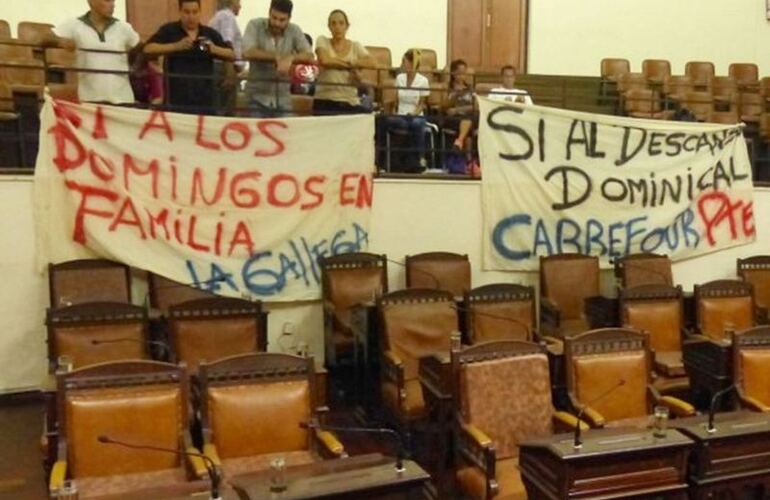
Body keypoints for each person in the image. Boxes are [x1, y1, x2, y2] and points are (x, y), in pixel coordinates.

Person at [144, 0, 234, 114]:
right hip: (176, 100)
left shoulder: (209, 33)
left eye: (194, 12)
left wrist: (213, 49)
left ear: (200, 12)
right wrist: (175, 46)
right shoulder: (169, 30)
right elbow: (148, 49)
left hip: (205, 100)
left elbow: (231, 54)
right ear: (180, 12)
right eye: (186, 12)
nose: (191, 17)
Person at [46, 0, 140, 104]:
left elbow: (141, 47)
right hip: (90, 99)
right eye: (107, 1)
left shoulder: (124, 28)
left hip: (123, 99)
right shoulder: (74, 25)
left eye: (113, 1)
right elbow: (43, 37)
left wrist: (136, 66)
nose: (113, 5)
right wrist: (60, 41)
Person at [242, 0, 314, 116]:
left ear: (289, 19)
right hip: (255, 98)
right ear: (269, 13)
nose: (277, 23)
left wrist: (290, 58)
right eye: (274, 18)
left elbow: (309, 55)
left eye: (282, 20)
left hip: (283, 100)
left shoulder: (294, 30)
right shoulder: (254, 25)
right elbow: (247, 52)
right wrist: (277, 57)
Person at [312, 9, 373, 115]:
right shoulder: (322, 40)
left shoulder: (355, 46)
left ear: (347, 26)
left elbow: (372, 62)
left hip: (350, 102)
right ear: (329, 27)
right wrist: (350, 66)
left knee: (372, 118)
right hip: (325, 100)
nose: (337, 27)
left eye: (341, 23)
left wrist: (353, 63)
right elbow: (325, 60)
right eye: (333, 23)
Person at [381, 49, 431, 170]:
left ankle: (417, 159)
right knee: (392, 122)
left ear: (412, 63)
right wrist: (393, 112)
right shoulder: (399, 78)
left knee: (416, 124)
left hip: (416, 114)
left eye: (405, 62)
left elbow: (422, 104)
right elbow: (396, 100)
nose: (402, 64)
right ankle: (393, 160)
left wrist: (413, 114)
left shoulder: (423, 81)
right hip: (401, 114)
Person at [209, 0, 244, 114]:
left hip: (219, 67)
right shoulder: (227, 16)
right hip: (223, 69)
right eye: (238, 2)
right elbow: (226, 42)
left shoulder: (219, 16)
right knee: (225, 111)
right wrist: (230, 70)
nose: (240, 6)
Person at [443, 59, 476, 151]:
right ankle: (468, 157)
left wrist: (457, 110)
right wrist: (456, 95)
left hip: (467, 116)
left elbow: (475, 106)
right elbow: (444, 106)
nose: (462, 76)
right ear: (453, 73)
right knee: (468, 126)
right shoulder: (447, 87)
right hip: (453, 118)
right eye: (459, 73)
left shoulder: (470, 88)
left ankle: (459, 141)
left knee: (469, 119)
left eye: (464, 73)